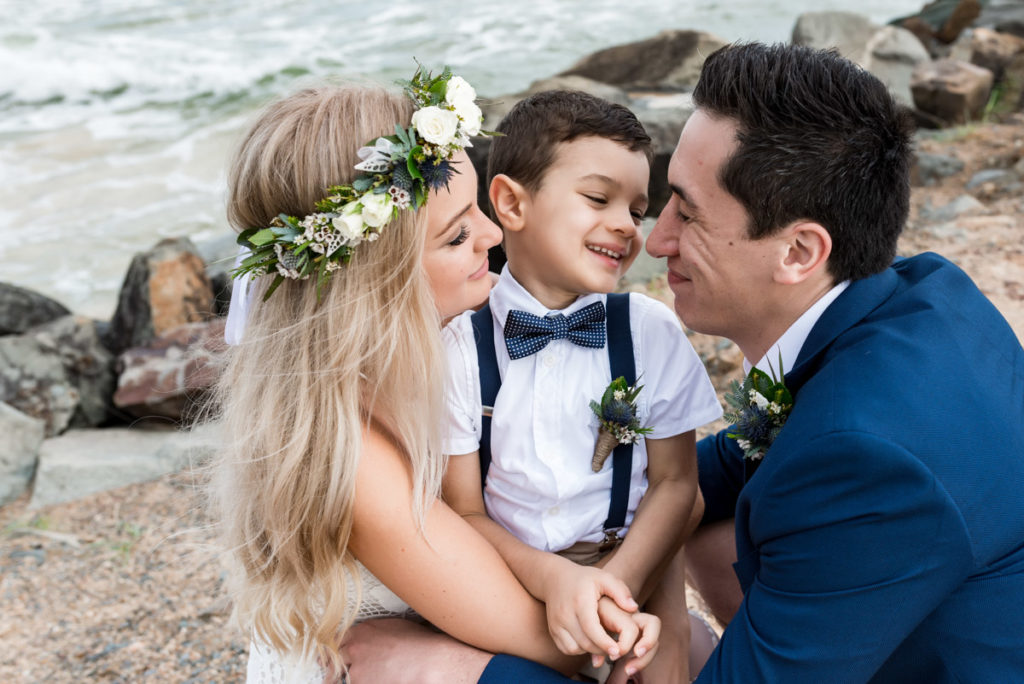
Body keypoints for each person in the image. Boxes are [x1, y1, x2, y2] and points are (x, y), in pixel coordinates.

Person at [209, 70, 661, 684]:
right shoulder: (353, 457)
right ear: (378, 285)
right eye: (456, 236)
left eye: (477, 207)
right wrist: (648, 621)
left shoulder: (439, 350)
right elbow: (560, 647)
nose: (495, 235)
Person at [645, 42, 1024, 682]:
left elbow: (839, 455)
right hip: (916, 600)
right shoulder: (920, 291)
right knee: (707, 521)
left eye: (687, 212)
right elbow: (730, 466)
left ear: (799, 251)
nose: (657, 240)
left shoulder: (865, 455)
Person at [440, 90, 722, 683]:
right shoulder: (460, 346)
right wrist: (558, 584)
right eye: (598, 198)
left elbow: (675, 483)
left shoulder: (650, 332)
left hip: (628, 572)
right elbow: (463, 510)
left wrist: (614, 590)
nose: (624, 224)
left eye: (637, 211)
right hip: (505, 583)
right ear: (510, 204)